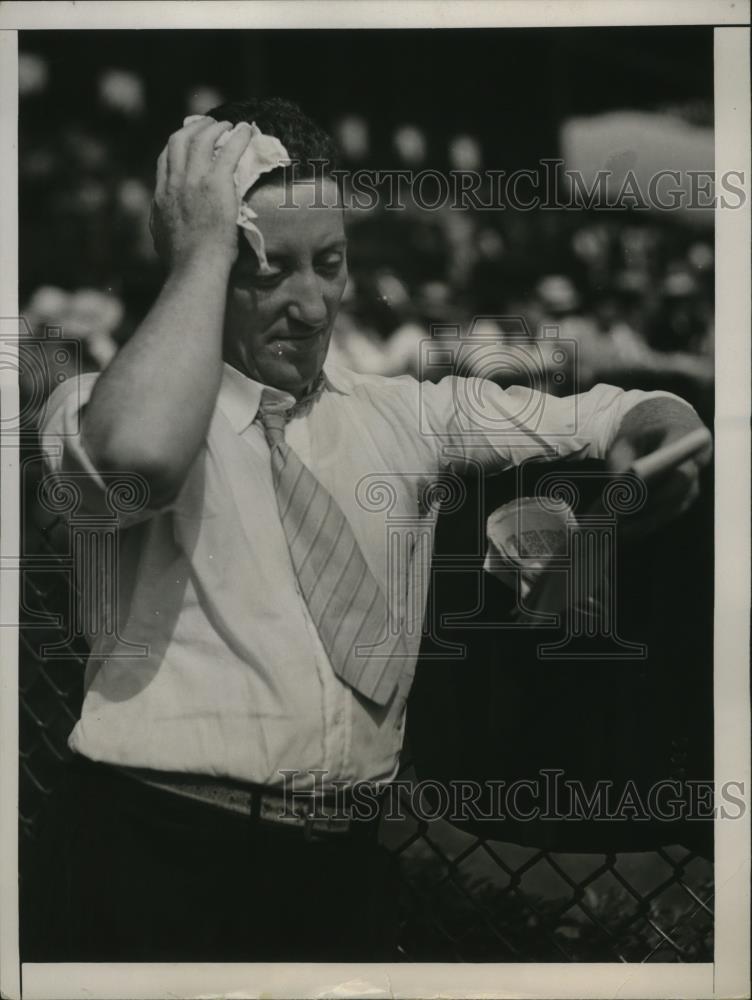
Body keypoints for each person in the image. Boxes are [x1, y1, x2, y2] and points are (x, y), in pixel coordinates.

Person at [27, 98, 711, 963]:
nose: (310, 306)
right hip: (149, 848)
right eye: (265, 268)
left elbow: (628, 412)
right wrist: (197, 251)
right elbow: (142, 460)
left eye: (331, 262)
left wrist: (656, 453)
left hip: (336, 871)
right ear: (198, 261)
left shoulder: (405, 414)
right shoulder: (97, 405)